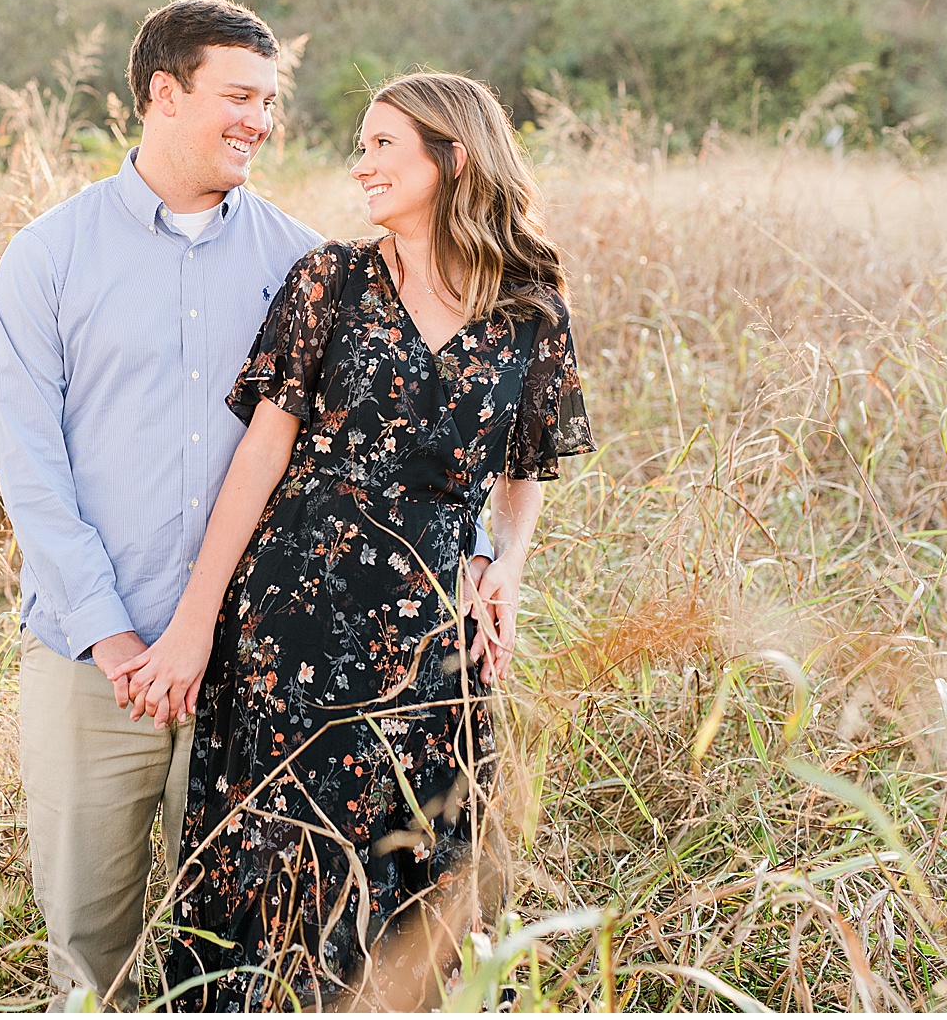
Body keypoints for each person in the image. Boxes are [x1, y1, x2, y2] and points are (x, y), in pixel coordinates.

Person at [0, 3, 495, 1009]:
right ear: (162, 94)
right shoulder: (47, 258)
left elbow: (415, 432)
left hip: (264, 671)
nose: (261, 119)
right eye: (239, 97)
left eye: (270, 100)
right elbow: (31, 472)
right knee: (92, 942)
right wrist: (112, 639)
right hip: (99, 665)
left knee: (255, 942)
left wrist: (478, 557)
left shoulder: (312, 267)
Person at [116, 71, 596, 1010]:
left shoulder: (530, 308)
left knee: (413, 867)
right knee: (275, 866)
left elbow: (524, 465)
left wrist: (505, 566)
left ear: (451, 157)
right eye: (361, 144)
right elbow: (257, 462)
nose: (359, 163)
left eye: (382, 145)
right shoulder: (329, 281)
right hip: (294, 621)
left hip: (430, 635)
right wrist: (196, 620)